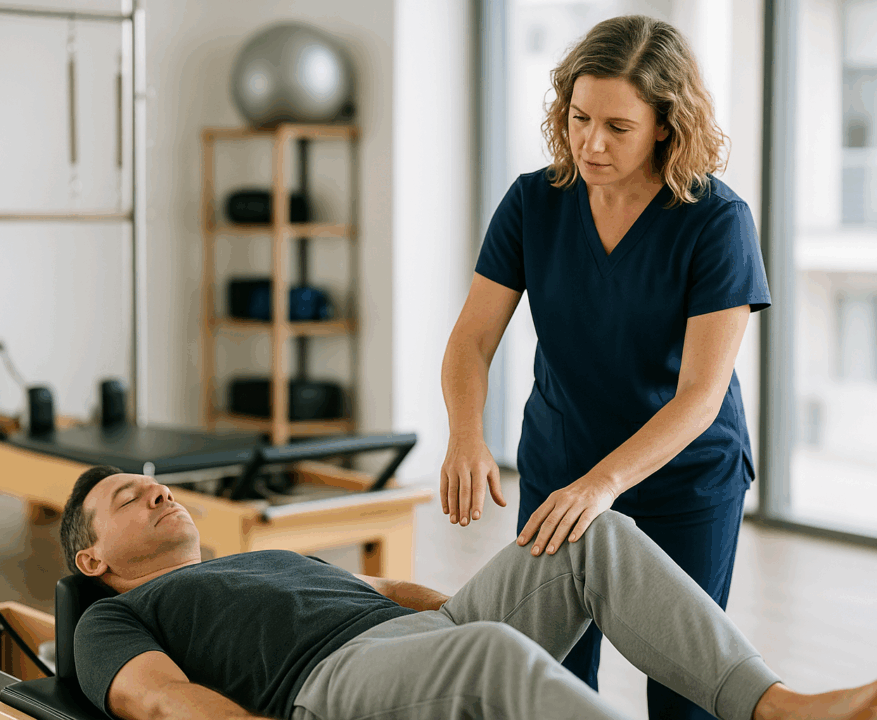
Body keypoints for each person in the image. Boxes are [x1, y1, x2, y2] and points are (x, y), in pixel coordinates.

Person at [440, 15, 770, 720]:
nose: (590, 142)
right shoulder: (534, 202)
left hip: (683, 478)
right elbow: (471, 339)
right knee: (546, 683)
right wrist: (467, 434)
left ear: (664, 124)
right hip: (562, 463)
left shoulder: (716, 221)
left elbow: (701, 396)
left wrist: (604, 484)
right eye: (579, 117)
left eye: (617, 127)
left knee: (687, 696)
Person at [61, 466, 877, 720]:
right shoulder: (116, 616)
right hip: (321, 689)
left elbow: (388, 588)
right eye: (127, 500)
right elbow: (161, 703)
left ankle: (774, 709)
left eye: (155, 486)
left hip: (421, 635)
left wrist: (496, 596)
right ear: (92, 556)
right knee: (489, 652)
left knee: (588, 531)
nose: (155, 494)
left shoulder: (266, 555)